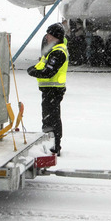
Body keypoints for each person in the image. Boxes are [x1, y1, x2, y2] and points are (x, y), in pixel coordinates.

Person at [27, 23, 69, 156]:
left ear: (55, 37)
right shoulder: (53, 50)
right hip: (50, 90)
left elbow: (48, 72)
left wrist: (33, 72)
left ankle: (54, 146)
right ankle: (51, 143)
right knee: (49, 118)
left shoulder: (58, 52)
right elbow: (44, 66)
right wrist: (35, 68)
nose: (47, 37)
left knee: (52, 119)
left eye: (49, 35)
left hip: (53, 90)